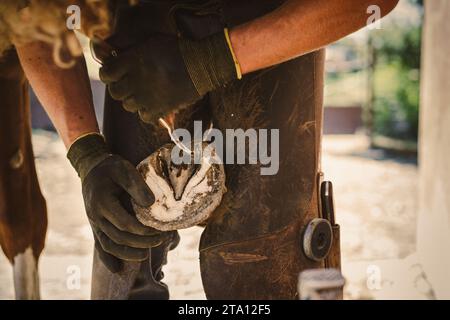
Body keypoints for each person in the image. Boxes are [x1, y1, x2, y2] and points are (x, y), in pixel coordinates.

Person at [16, 0, 399, 299]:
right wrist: (87, 153)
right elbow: (29, 12)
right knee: (124, 265)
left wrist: (210, 62)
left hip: (270, 52)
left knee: (262, 273)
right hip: (138, 70)